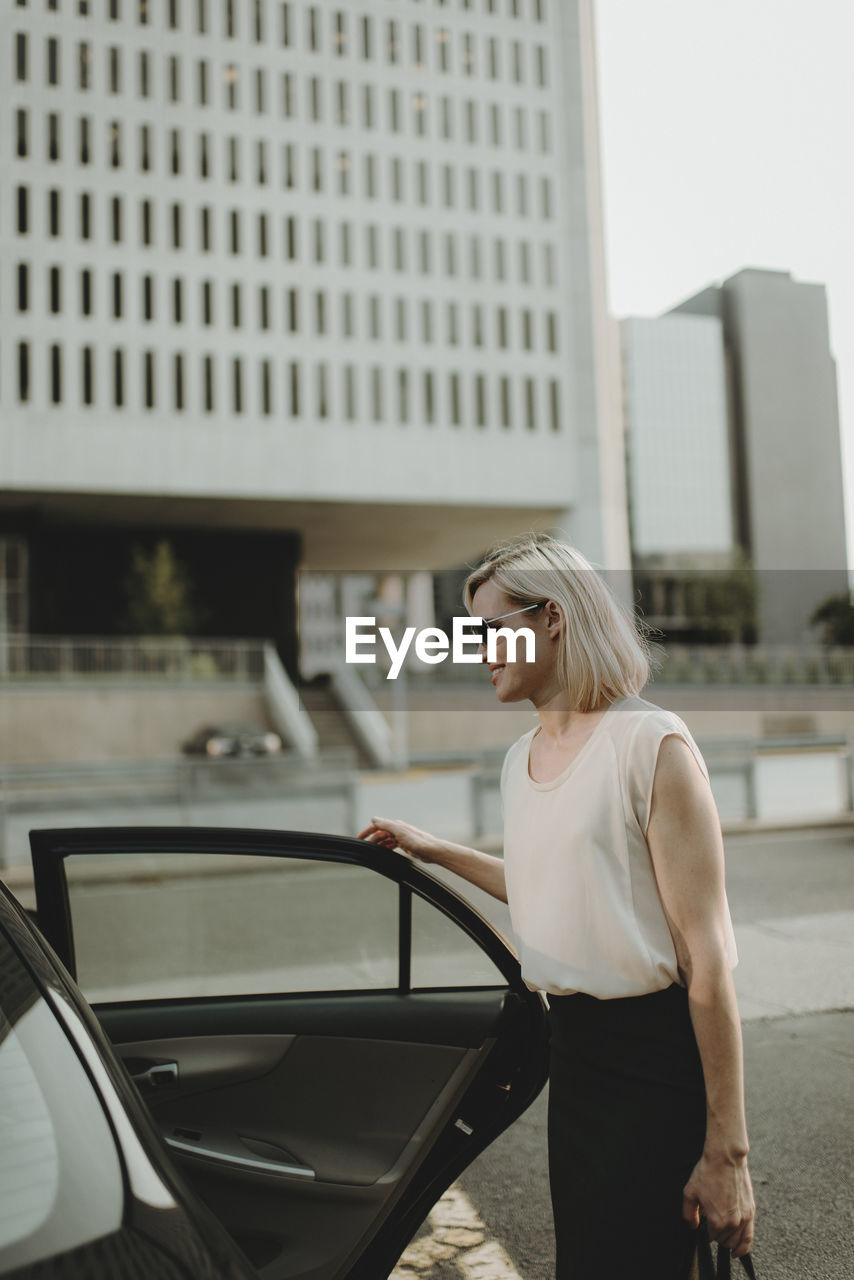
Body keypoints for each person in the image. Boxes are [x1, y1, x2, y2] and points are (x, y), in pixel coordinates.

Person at [358, 533, 755, 1280]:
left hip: (655, 1065)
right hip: (575, 1061)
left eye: (490, 629)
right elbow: (550, 888)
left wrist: (726, 1152)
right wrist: (433, 848)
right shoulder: (521, 758)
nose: (479, 650)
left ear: (554, 619)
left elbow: (707, 962)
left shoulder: (652, 745)